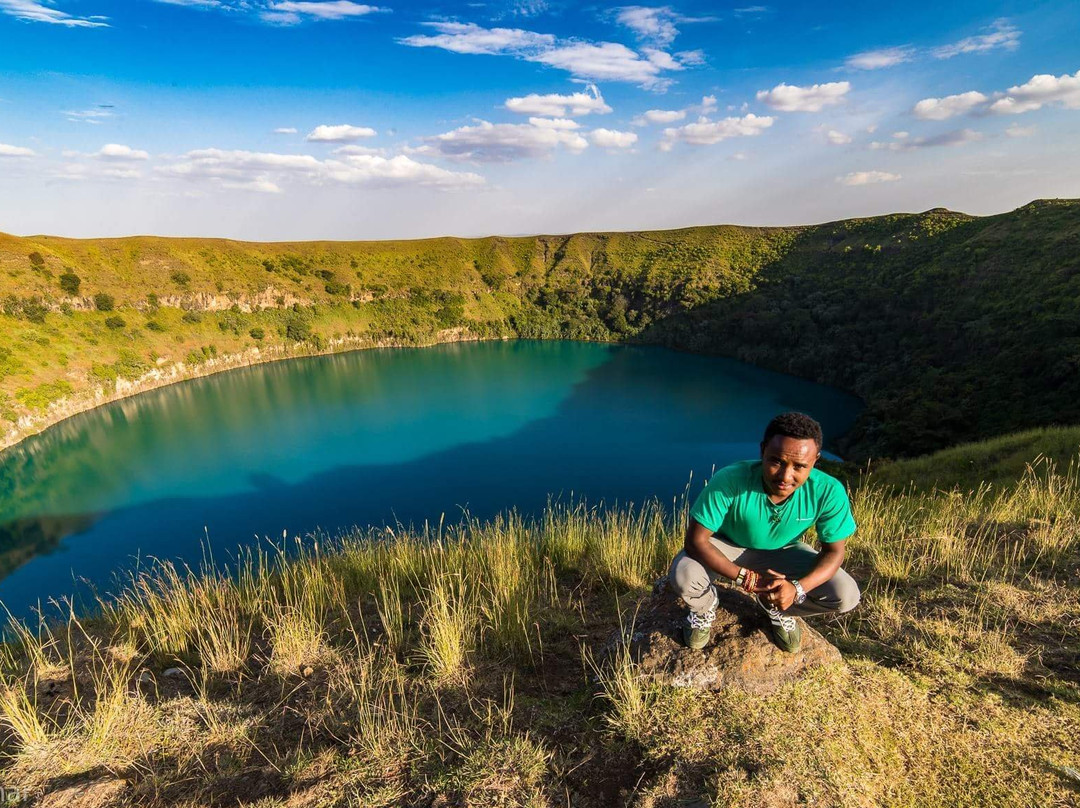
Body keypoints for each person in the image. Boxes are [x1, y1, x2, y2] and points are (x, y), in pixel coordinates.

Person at [668, 412, 861, 652]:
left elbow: (834, 552)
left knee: (846, 595)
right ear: (762, 451)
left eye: (799, 466)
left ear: (815, 460)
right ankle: (705, 606)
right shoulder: (731, 480)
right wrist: (746, 577)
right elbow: (696, 541)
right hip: (726, 545)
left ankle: (778, 605)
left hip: (783, 551)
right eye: (776, 461)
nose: (785, 476)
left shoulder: (828, 491)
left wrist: (797, 588)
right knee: (684, 576)